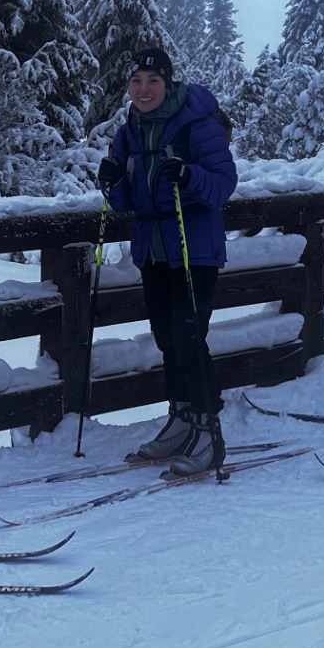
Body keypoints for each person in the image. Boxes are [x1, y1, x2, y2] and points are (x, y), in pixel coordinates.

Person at [96, 45, 239, 475]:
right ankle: (180, 421)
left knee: (189, 338)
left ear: (168, 83)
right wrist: (114, 183)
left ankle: (207, 433)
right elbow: (127, 203)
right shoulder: (130, 132)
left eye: (152, 81)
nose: (143, 90)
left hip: (193, 248)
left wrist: (191, 176)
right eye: (136, 82)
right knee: (166, 338)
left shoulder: (196, 124)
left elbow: (225, 183)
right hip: (154, 250)